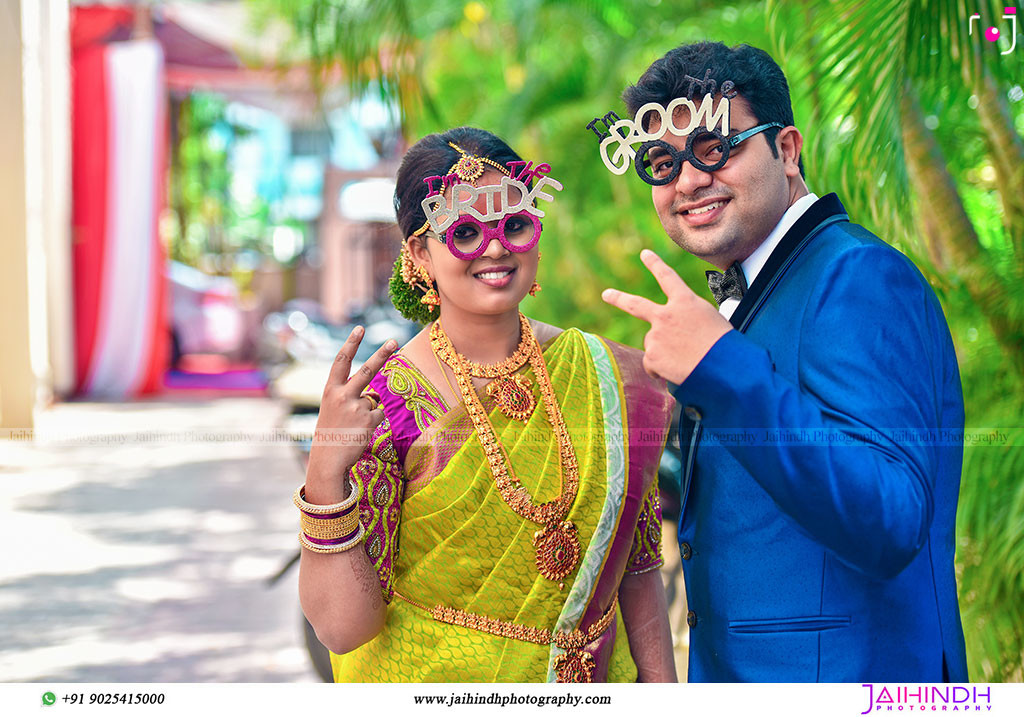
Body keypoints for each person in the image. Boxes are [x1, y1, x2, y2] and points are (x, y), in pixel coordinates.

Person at [597, 42, 968, 682]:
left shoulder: (857, 276)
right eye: (662, 163)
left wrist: (721, 367)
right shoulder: (762, 293)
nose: (688, 180)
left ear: (787, 150)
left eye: (715, 148)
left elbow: (890, 518)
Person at [295, 127, 677, 683]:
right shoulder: (387, 406)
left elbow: (637, 565)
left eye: (514, 225)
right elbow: (345, 629)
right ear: (419, 255)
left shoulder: (606, 377)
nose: (495, 248)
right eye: (465, 233)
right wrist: (326, 472)